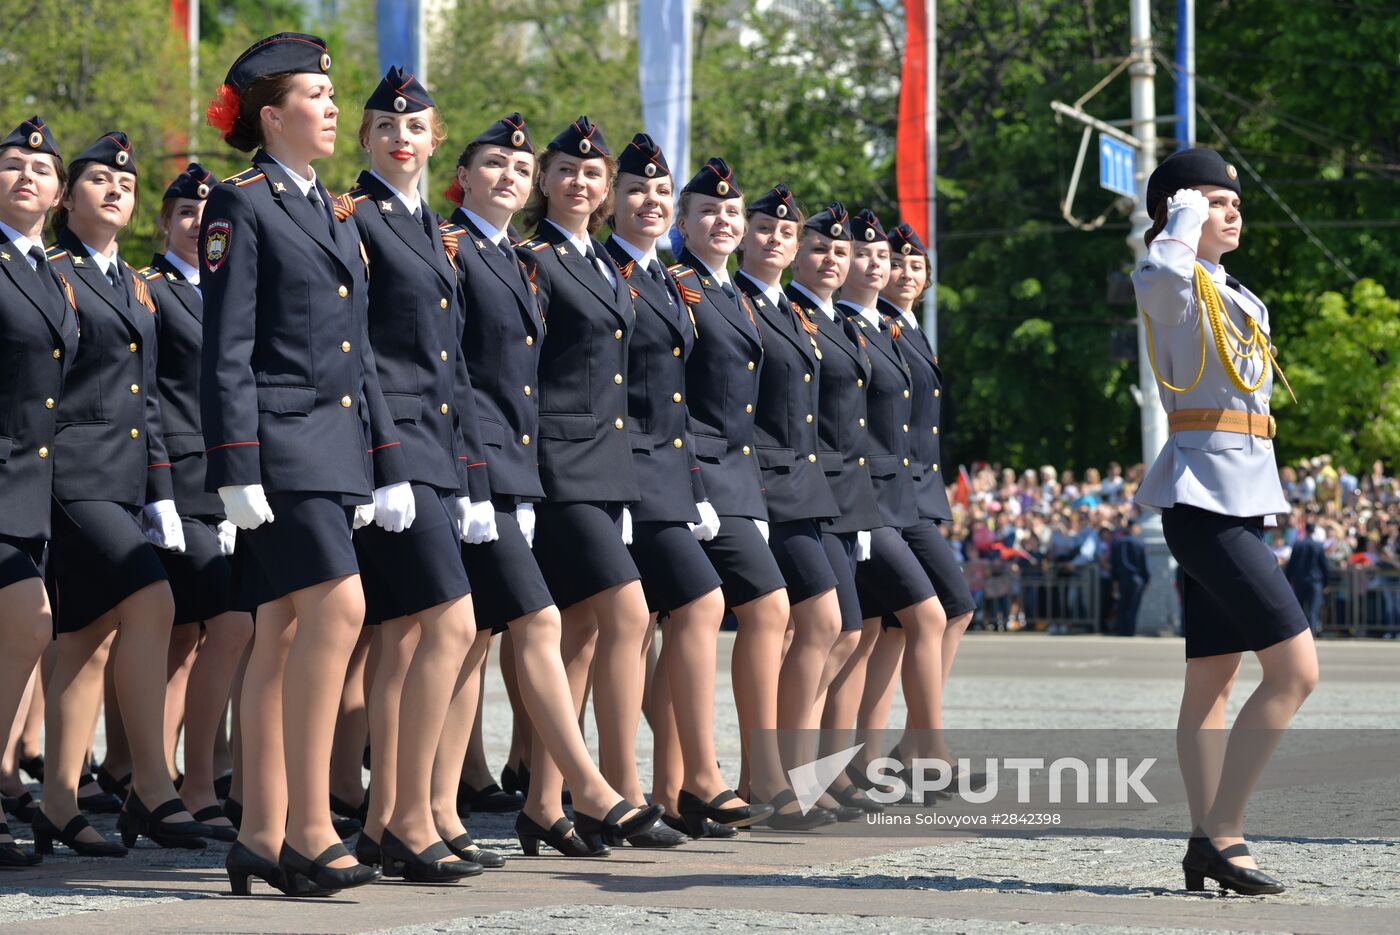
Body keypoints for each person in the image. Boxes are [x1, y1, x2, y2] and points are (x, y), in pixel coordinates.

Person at [201, 32, 413, 896]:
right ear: (271, 114)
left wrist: (383, 459)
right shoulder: (240, 203)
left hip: (334, 447)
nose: (333, 110)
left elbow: (356, 348)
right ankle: (310, 825)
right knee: (339, 610)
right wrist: (235, 463)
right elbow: (229, 346)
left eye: (331, 98)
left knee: (281, 635)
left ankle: (258, 831)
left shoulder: (328, 206)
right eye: (317, 99)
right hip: (280, 446)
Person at [445, 113, 660, 857]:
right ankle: (610, 788)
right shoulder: (532, 257)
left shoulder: (603, 262)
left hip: (598, 467)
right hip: (552, 462)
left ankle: (542, 800)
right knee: (619, 614)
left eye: (593, 174)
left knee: (583, 629)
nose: (580, 182)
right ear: (547, 181)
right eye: (567, 169)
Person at [1134, 146, 1317, 895]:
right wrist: (1178, 211)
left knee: (1212, 681)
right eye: (1215, 199)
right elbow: (1163, 273)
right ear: (1177, 211)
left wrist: (1197, 206)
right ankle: (1225, 832)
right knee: (1296, 670)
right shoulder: (1170, 278)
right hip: (1203, 502)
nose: (1232, 209)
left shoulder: (1230, 289)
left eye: (1236, 200)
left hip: (1238, 497)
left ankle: (1203, 837)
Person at [39, 130, 212, 858]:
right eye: (99, 179)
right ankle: (150, 780)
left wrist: (161, 489)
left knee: (82, 637)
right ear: (66, 196)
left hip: (126, 477)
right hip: (71, 473)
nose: (115, 188)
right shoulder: (53, 273)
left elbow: (147, 402)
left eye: (126, 182)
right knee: (154, 601)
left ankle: (56, 800)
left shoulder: (130, 285)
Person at [343, 67, 497, 883]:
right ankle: (406, 814)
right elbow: (357, 348)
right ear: (366, 140)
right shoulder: (356, 218)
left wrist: (473, 479)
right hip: (389, 447)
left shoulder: (429, 226)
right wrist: (386, 461)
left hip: (439, 450)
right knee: (449, 622)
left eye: (415, 127)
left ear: (436, 141)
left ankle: (381, 820)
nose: (401, 137)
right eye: (384, 127)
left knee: (406, 635)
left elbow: (454, 365)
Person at [603, 137, 770, 843]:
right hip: (618, 471)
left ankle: (671, 784)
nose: (651, 202)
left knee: (656, 619)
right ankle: (650, 782)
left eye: (660, 193)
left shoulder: (665, 283)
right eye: (638, 190)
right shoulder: (617, 271)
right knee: (643, 619)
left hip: (678, 474)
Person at [676, 179, 796, 832]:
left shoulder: (735, 295)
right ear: (683, 222)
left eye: (729, 211)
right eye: (709, 211)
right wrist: (691, 478)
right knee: (754, 607)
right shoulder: (680, 286)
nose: (723, 221)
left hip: (738, 479)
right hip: (695, 473)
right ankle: (707, 771)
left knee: (765, 612)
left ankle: (751, 772)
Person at [140, 162, 251, 842]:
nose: (196, 224)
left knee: (189, 640)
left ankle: (168, 776)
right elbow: (145, 396)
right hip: (182, 484)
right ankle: (193, 779)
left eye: (206, 213)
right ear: (164, 221)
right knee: (229, 624)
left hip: (236, 481)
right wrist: (159, 491)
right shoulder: (149, 290)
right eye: (184, 212)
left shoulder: (236, 288)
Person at [826, 209, 951, 810]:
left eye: (903, 262)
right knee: (910, 620)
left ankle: (867, 758)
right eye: (876, 257)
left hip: (906, 493)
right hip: (868, 498)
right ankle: (917, 751)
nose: (889, 268)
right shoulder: (849, 325)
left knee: (878, 630)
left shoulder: (896, 329)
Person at [0, 116, 78, 868]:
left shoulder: (48, 271)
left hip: (33, 482)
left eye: (42, 169)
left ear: (57, 195)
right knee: (28, 622)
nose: (28, 175)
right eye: (13, 163)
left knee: (25, 631)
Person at [1285, 522, 1328, 635]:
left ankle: (1298, 634)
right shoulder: (1318, 545)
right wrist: (1326, 583)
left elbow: (1291, 564)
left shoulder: (1298, 545)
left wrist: (1288, 579)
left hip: (1300, 581)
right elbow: (1324, 566)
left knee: (1299, 609)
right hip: (1315, 582)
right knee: (1313, 610)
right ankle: (1311, 634)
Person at [1109, 519, 1149, 636]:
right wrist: (1146, 580)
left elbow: (1114, 564)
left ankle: (1122, 630)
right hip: (1137, 579)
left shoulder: (1117, 543)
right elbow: (1143, 565)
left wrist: (1115, 580)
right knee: (1133, 607)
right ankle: (1130, 631)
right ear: (1134, 527)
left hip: (1122, 579)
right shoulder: (1140, 544)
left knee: (1122, 605)